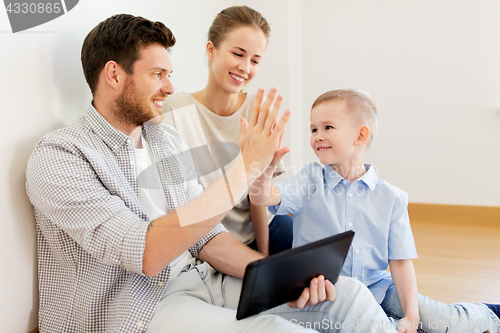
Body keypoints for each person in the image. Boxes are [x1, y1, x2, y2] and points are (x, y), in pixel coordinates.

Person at [26, 15, 398, 333]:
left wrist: (278, 276)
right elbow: (146, 253)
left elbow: (206, 234)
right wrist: (246, 167)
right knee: (277, 330)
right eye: (158, 74)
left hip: (200, 277)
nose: (170, 87)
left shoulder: (163, 137)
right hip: (140, 307)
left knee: (348, 295)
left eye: (169, 75)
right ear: (114, 74)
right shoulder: (62, 156)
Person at [249, 89, 500, 333]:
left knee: (441, 320)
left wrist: (411, 314)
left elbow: (400, 262)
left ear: (360, 136)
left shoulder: (392, 198)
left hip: (381, 289)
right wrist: (265, 170)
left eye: (327, 127)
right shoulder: (308, 182)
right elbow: (261, 196)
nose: (317, 136)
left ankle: (490, 315)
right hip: (332, 296)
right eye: (313, 129)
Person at [163, 6, 292, 256]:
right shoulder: (174, 110)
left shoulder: (258, 109)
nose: (245, 67)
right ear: (212, 50)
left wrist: (263, 255)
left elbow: (258, 194)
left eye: (255, 60)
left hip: (260, 231)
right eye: (238, 54)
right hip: (204, 240)